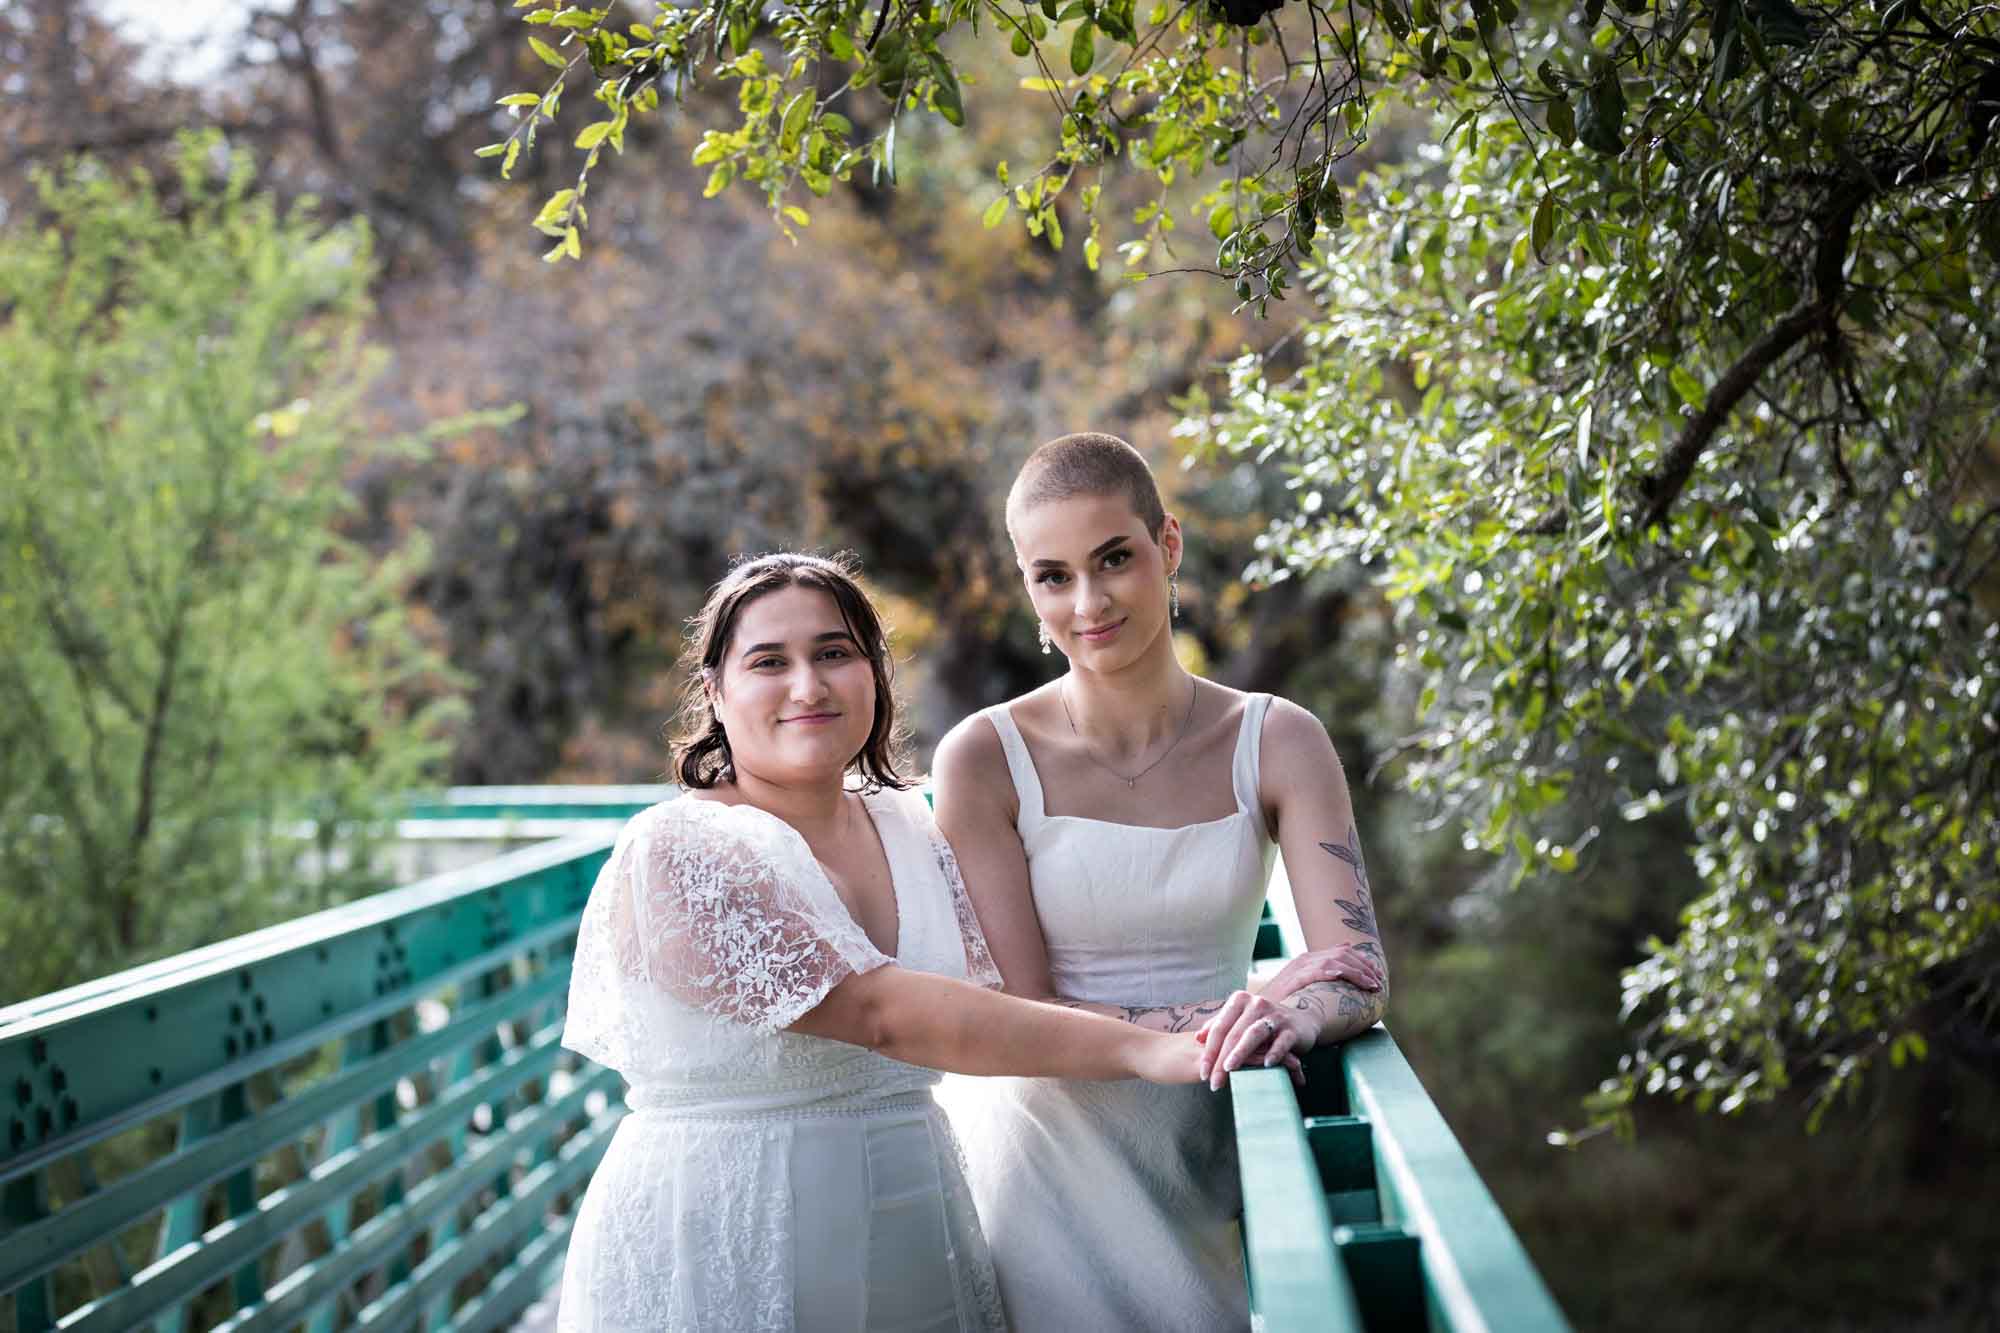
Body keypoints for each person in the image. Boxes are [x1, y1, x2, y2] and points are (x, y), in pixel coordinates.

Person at [556, 551, 1210, 1333]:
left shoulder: (914, 827)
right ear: (716, 693)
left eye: (834, 652)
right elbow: (881, 1013)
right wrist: (1153, 1048)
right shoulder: (680, 848)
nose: (809, 685)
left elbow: (1012, 997)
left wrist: (1208, 1014)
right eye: (770, 661)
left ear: (874, 673)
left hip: (913, 1221)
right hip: (730, 1235)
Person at [932, 433, 1391, 1332]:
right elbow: (1021, 1005)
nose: (1089, 602)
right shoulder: (984, 759)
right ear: (1028, 588)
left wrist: (1294, 1012)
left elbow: (1356, 962)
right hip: (1047, 1164)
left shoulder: (1280, 739)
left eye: (1114, 560)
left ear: (1168, 546)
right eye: (1053, 575)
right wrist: (1214, 1021)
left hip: (1215, 1140)